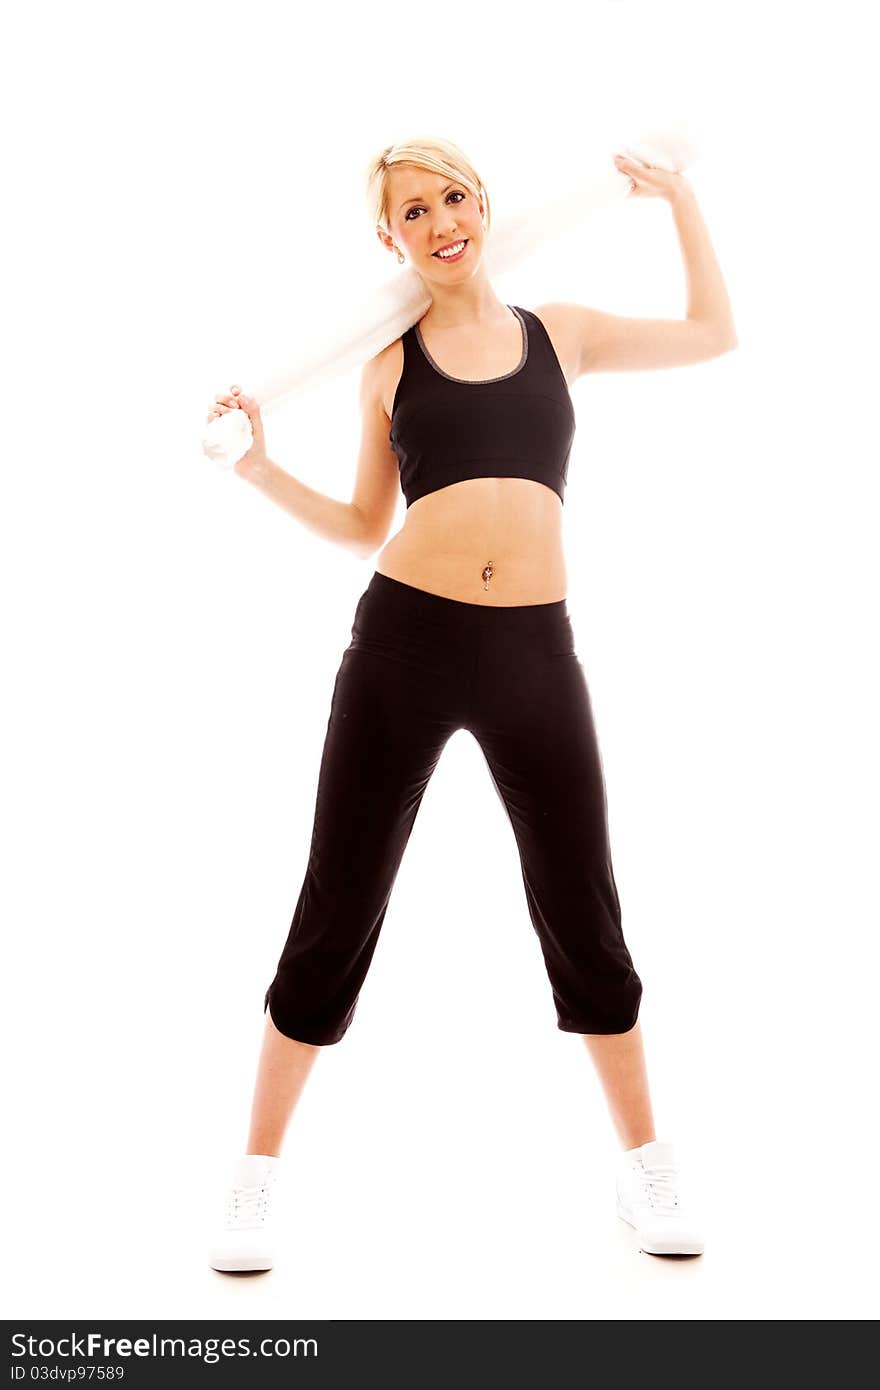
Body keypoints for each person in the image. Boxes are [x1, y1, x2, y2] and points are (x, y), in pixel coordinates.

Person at [206, 136, 737, 1272]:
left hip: (534, 651)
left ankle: (648, 1171)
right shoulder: (388, 367)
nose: (440, 220)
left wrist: (680, 198)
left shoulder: (565, 333)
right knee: (335, 904)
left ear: (483, 204)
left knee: (582, 904)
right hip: (403, 642)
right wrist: (255, 468)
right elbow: (360, 525)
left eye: (452, 197)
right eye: (412, 211)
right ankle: (252, 1178)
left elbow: (712, 333)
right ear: (389, 240)